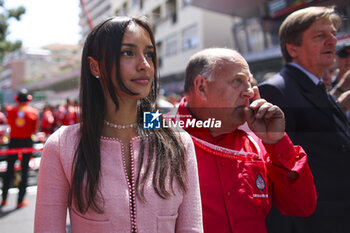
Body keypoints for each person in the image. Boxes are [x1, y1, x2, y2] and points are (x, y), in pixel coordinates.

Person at [34, 16, 203, 233]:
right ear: (95, 67)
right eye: (128, 52)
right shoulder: (62, 145)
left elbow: (192, 227)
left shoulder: (179, 142)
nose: (144, 65)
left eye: (149, 54)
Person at [173, 48, 316, 233]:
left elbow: (302, 206)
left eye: (250, 83)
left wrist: (277, 142)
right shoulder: (158, 135)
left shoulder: (259, 141)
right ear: (202, 87)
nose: (249, 92)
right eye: (237, 81)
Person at [258, 6, 350, 233]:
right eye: (320, 36)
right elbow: (280, 171)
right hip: (314, 222)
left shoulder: (318, 87)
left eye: (332, 35)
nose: (331, 41)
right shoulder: (276, 90)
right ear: (293, 47)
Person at [1, 89, 38, 208]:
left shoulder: (11, 110)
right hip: (27, 142)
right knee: (25, 171)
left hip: (14, 141)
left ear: (17, 99)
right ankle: (20, 201)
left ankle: (4, 199)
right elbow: (34, 130)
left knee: (9, 170)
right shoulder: (33, 112)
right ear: (28, 99)